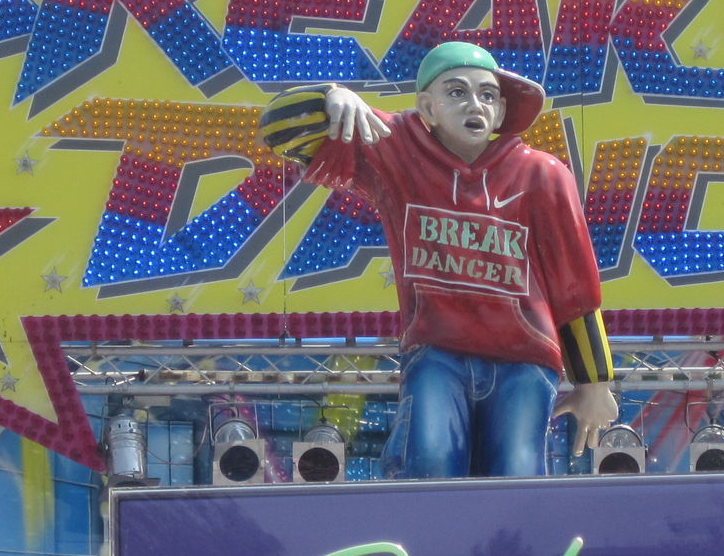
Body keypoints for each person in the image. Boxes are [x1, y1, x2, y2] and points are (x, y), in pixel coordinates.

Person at [260, 41, 617, 477]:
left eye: (488, 95)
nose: (476, 105)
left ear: (502, 112)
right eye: (457, 92)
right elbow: (279, 130)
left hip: (524, 358)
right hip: (438, 352)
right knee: (429, 461)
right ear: (427, 107)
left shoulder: (542, 174)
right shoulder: (397, 152)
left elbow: (574, 287)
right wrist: (330, 98)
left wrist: (595, 381)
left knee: (517, 474)